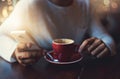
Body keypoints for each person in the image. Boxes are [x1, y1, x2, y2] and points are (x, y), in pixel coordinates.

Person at [0, 0, 116, 66]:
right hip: (40, 71)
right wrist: (15, 51)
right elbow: (1, 36)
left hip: (75, 69)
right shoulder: (30, 4)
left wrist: (106, 45)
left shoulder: (85, 4)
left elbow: (103, 36)